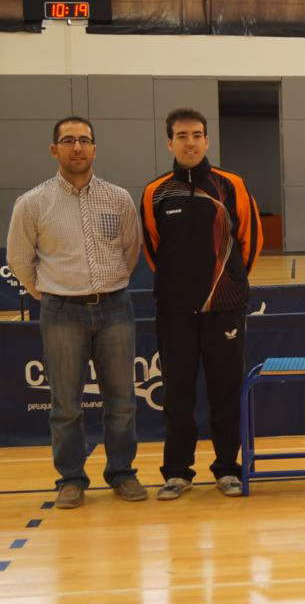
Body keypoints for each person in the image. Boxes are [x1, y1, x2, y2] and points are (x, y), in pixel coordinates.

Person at [6, 117, 147, 508]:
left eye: (84, 140)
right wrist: (54, 293)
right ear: (55, 150)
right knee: (65, 404)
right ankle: (70, 478)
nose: (77, 147)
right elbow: (20, 260)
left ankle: (121, 472)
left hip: (115, 308)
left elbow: (130, 251)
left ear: (95, 148)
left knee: (122, 400)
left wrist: (106, 287)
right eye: (68, 141)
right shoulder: (33, 203)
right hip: (61, 312)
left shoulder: (118, 198)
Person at [140, 108, 263, 500]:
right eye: (181, 136)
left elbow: (251, 241)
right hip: (174, 312)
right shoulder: (155, 192)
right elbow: (152, 249)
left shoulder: (231, 185)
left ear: (207, 140)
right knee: (177, 392)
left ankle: (227, 468)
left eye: (196, 135)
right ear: (169, 143)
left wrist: (226, 285)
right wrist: (181, 288)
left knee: (225, 390)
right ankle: (178, 471)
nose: (189, 142)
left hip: (224, 309)